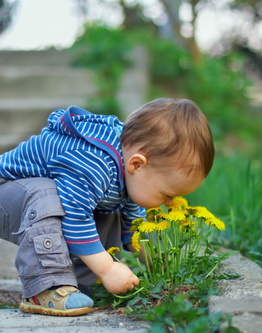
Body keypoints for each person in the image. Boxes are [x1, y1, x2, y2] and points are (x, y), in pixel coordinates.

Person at [0, 98, 214, 316]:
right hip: (6, 194)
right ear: (137, 165)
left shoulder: (128, 170)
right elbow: (75, 217)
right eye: (168, 195)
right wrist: (108, 269)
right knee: (51, 194)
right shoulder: (95, 164)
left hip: (32, 205)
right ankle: (46, 287)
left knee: (109, 211)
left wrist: (159, 263)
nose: (171, 203)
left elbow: (134, 229)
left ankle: (86, 287)